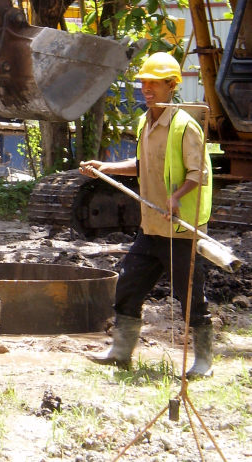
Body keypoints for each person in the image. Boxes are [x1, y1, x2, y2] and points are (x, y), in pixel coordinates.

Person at [80, 51, 213, 377]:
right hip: (152, 227)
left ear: (171, 85)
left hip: (181, 232)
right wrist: (106, 167)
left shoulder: (185, 127)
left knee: (191, 297)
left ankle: (204, 362)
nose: (146, 88)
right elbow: (143, 166)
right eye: (143, 82)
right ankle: (121, 352)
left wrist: (177, 197)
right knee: (128, 286)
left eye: (154, 82)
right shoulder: (146, 122)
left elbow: (200, 174)